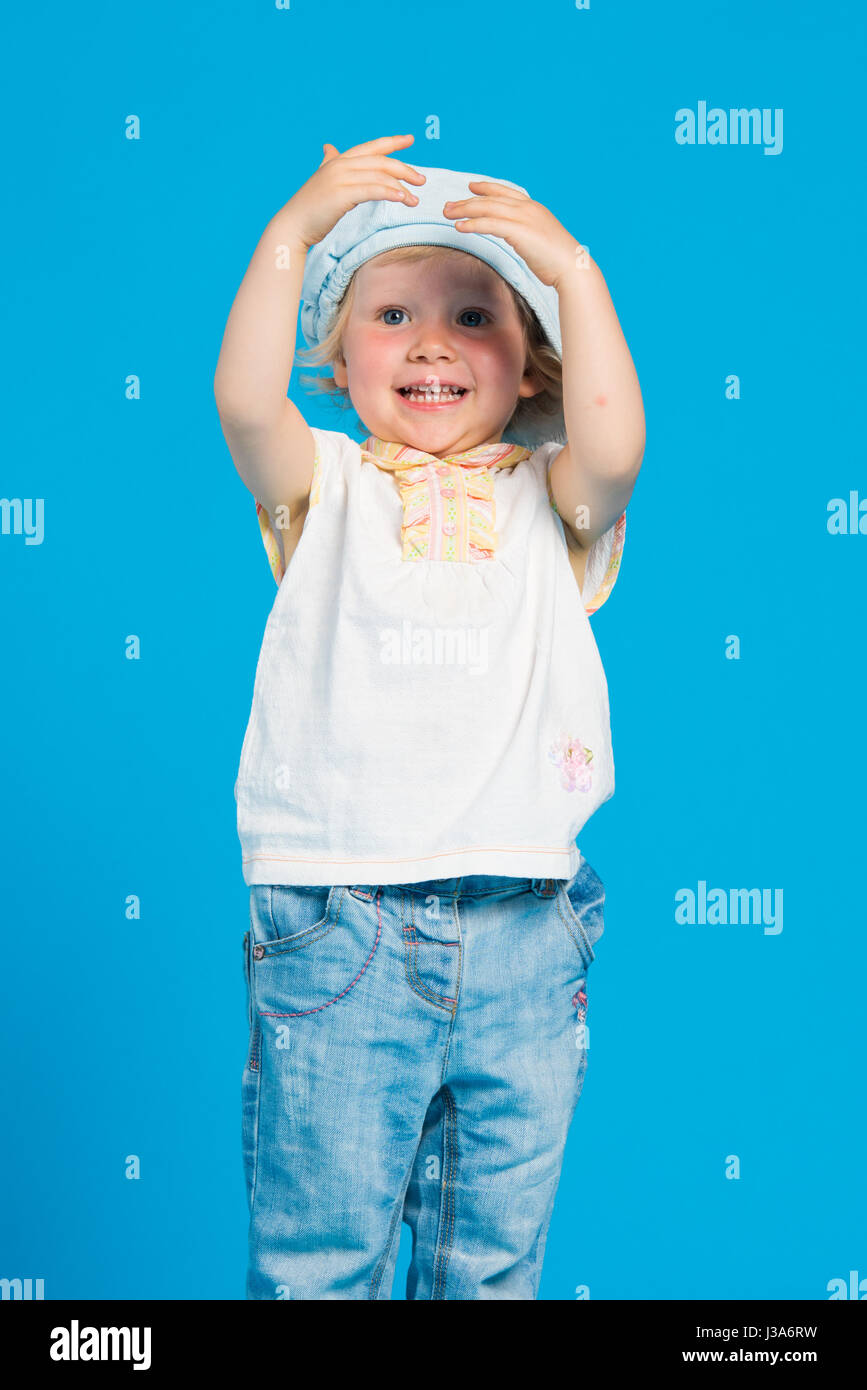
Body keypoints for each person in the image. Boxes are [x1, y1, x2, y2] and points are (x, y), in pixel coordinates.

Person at [214, 133, 645, 1300]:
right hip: (340, 923)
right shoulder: (326, 487)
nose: (433, 343)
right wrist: (289, 237)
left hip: (524, 927)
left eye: (476, 315)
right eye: (392, 315)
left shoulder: (549, 501)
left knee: (492, 1267)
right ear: (340, 363)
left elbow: (616, 447)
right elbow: (242, 400)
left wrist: (576, 273)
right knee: (319, 1259)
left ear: (534, 368)